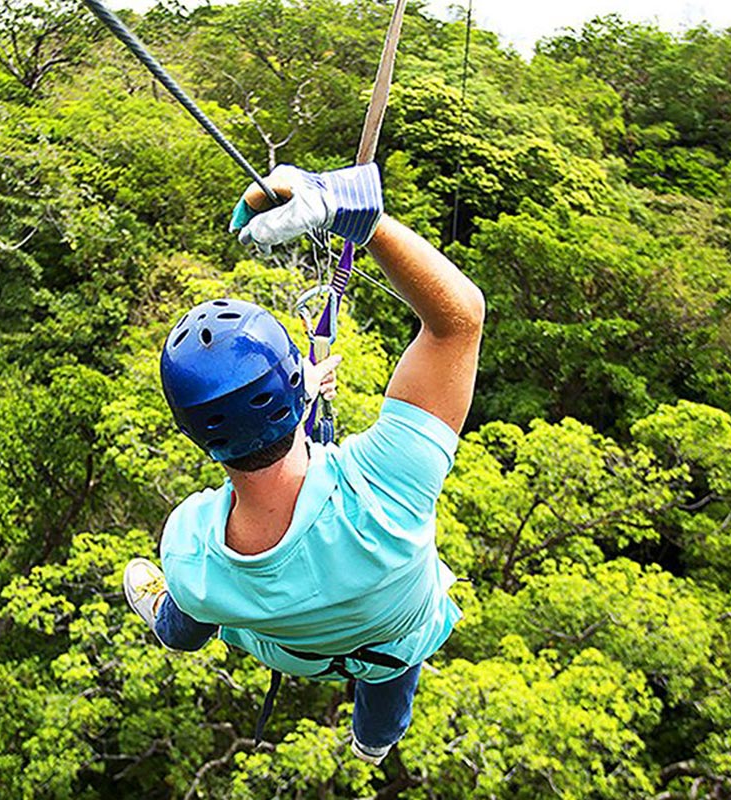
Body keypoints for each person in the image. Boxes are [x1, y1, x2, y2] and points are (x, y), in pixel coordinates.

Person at [123, 162, 485, 764]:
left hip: (291, 649)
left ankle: (163, 616)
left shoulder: (191, 544)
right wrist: (354, 214)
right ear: (296, 390)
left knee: (187, 612)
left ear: (194, 434)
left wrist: (294, 399)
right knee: (391, 680)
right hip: (396, 636)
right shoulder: (387, 489)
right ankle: (374, 741)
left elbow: (257, 468)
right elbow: (458, 321)